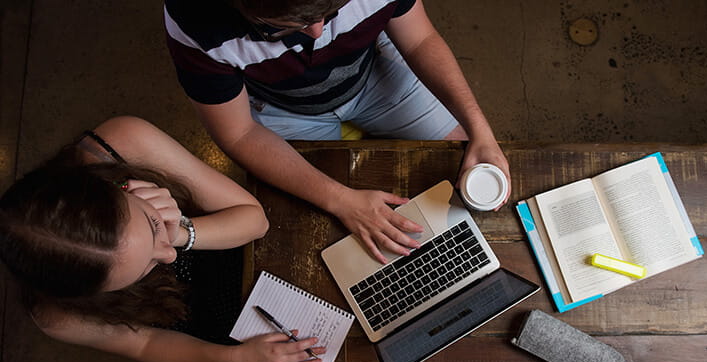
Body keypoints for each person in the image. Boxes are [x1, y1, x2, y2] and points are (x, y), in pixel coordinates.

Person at [164, 0, 512, 264]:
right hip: (281, 109)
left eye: (333, 11)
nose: (317, 33)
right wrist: (340, 199)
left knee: (461, 161)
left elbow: (419, 39)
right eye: (283, 29)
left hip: (374, 73)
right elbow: (238, 134)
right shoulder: (195, 19)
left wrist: (479, 130)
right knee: (319, 234)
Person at [0, 116, 325, 362]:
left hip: (233, 246)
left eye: (151, 224)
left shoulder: (124, 143)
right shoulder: (57, 317)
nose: (169, 256)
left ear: (119, 187)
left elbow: (255, 221)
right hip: (188, 312)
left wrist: (183, 232)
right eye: (140, 270)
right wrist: (234, 359)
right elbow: (145, 343)